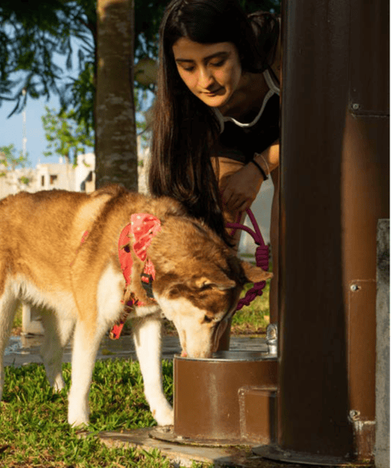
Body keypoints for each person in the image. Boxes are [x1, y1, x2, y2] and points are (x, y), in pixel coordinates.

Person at [148, 0, 281, 344]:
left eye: (217, 62)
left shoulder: (280, 48)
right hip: (231, 142)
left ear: (240, 48)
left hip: (297, 132)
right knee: (214, 232)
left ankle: (290, 337)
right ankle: (212, 346)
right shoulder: (186, 112)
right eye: (187, 66)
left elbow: (321, 123)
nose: (204, 80)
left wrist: (260, 167)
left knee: (292, 218)